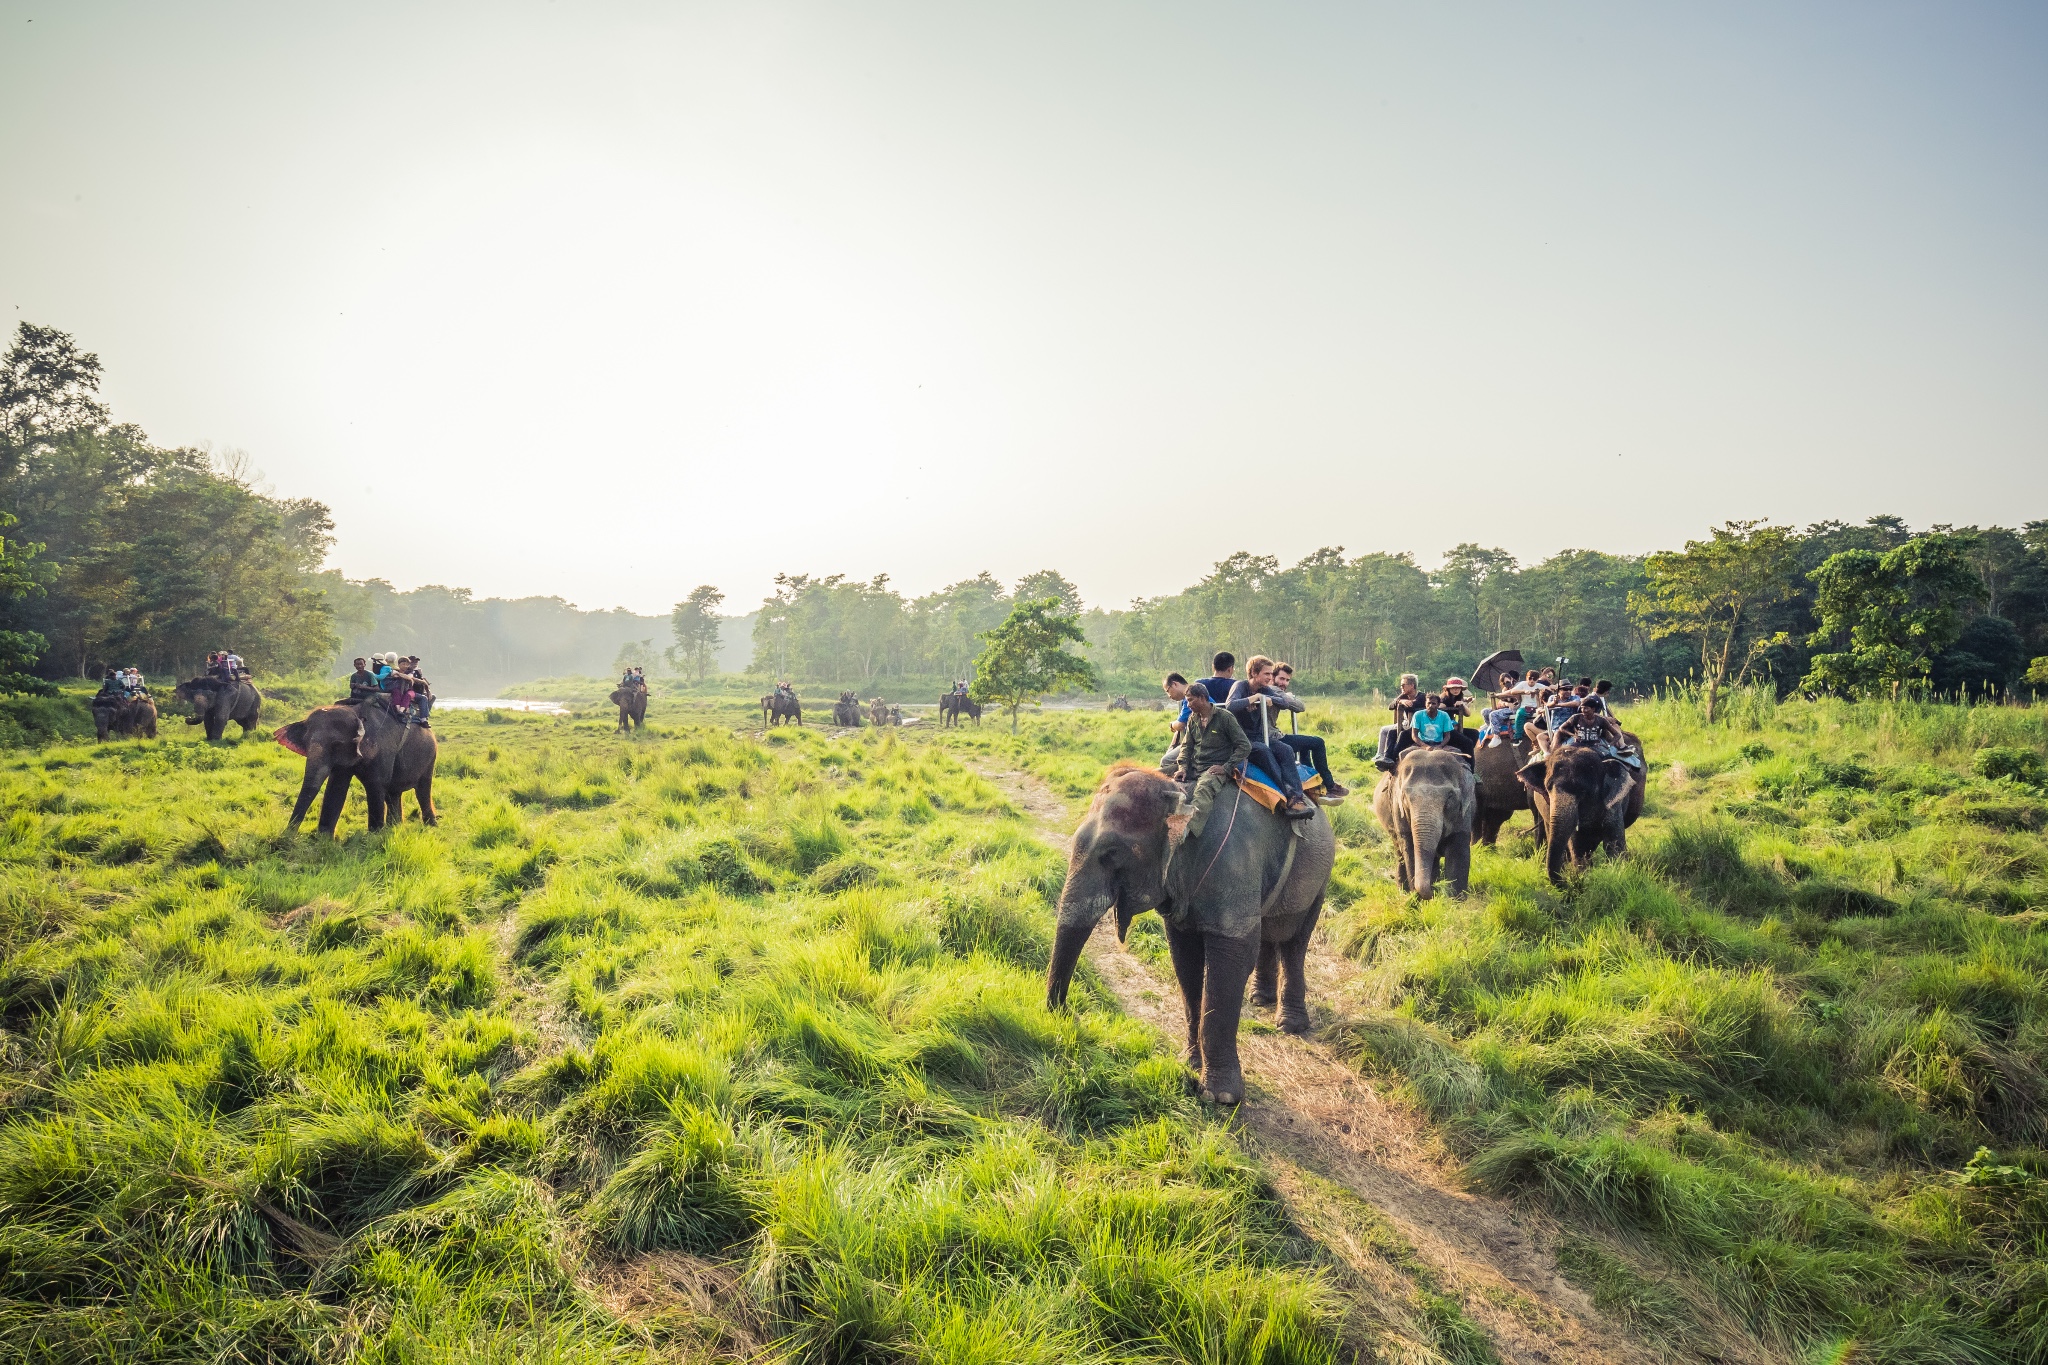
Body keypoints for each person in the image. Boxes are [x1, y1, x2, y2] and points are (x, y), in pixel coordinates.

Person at [1224, 656, 1314, 818]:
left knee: (1286, 750)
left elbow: (1284, 703)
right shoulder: (1240, 686)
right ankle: (1284, 793)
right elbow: (1231, 705)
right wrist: (1253, 699)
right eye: (1266, 674)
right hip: (1241, 739)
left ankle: (1296, 796)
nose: (1270, 678)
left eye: (1271, 674)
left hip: (1258, 736)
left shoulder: (1265, 690)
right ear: (1253, 672)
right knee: (1264, 751)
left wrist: (1268, 698)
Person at [1173, 680, 1252, 843]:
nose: (1188, 704)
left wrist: (1226, 767)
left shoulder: (1225, 717)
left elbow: (1244, 746)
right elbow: (1186, 746)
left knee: (1203, 789)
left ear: (1202, 698)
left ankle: (1188, 830)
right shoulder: (1193, 719)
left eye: (1190, 700)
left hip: (1214, 769)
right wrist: (1182, 767)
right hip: (1195, 765)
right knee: (1158, 775)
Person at [1271, 662, 1348, 797]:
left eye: (1287, 680)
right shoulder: (1274, 690)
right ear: (1273, 677)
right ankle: (1329, 785)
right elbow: (1300, 707)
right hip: (1274, 737)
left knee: (1305, 746)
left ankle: (1313, 783)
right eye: (1281, 679)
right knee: (1318, 742)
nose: (1284, 683)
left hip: (1274, 734)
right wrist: (1290, 697)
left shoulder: (1273, 690)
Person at [1374, 673, 1424, 771]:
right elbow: (1391, 706)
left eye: (1403, 685)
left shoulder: (1422, 696)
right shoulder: (1404, 696)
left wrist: (1404, 701)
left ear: (1412, 685)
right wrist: (1400, 701)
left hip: (1416, 725)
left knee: (1392, 732)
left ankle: (1389, 756)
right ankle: (1380, 755)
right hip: (1405, 723)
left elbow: (1412, 705)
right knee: (1384, 729)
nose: (1401, 687)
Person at [1160, 672, 1191, 771]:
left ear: (1175, 684)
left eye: (1168, 691)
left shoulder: (1189, 696)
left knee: (1166, 761)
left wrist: (1172, 725)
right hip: (1192, 738)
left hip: (1200, 740)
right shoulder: (1188, 696)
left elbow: (1181, 724)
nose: (1169, 696)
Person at [1440, 677, 1477, 757]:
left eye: (1458, 688)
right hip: (1443, 729)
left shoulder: (1457, 699)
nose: (1456, 690)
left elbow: (1468, 714)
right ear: (1448, 689)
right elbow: (1438, 709)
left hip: (1453, 727)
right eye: (1453, 688)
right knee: (1468, 742)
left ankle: (1466, 755)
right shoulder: (1444, 699)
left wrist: (1463, 704)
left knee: (1474, 733)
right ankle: (1468, 760)